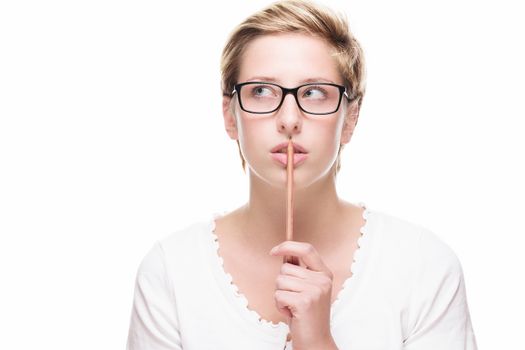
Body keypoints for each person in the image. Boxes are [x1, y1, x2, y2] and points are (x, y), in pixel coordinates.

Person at [126, 1, 478, 349]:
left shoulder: (423, 266)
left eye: (314, 92)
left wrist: (319, 342)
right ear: (230, 115)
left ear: (350, 118)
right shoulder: (171, 271)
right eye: (261, 91)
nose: (290, 119)